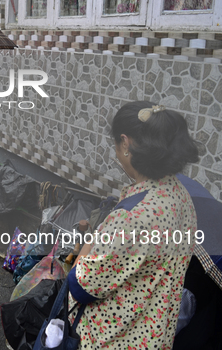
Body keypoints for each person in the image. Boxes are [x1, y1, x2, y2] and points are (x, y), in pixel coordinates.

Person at [69, 101, 199, 349]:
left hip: (114, 340)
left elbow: (81, 286)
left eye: (116, 146)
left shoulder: (131, 216)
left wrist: (91, 241)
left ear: (125, 143)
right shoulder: (180, 196)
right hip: (155, 337)